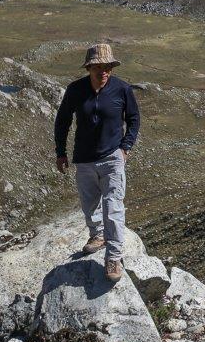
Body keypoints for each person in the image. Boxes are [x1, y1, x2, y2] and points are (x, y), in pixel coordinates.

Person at [53, 43, 141, 281]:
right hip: (84, 159)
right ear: (89, 68)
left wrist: (125, 147)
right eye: (98, 67)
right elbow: (62, 121)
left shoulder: (122, 89)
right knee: (90, 204)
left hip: (113, 157)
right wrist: (60, 152)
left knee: (113, 207)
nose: (103, 72)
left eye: (108, 67)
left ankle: (113, 257)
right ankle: (97, 234)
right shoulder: (75, 90)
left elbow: (133, 119)